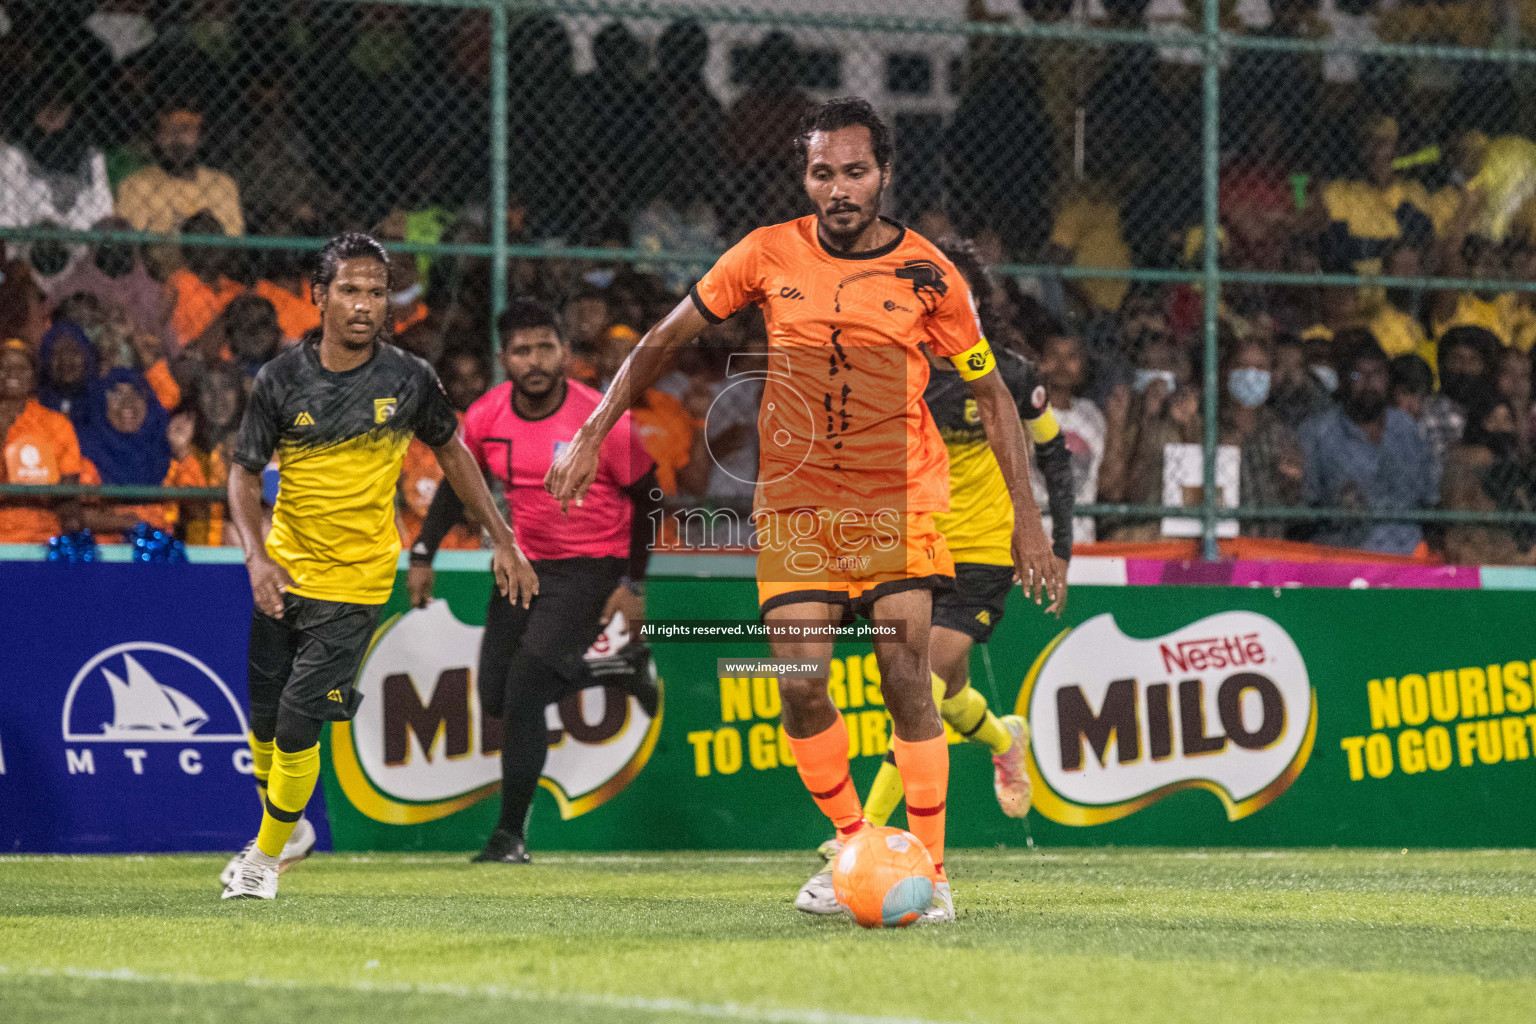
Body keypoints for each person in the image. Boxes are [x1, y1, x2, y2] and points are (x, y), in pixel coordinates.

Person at [545, 98, 1062, 923]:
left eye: (855, 171)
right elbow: (661, 340)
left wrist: (1027, 525)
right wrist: (588, 432)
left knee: (905, 678)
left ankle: (929, 869)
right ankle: (861, 845)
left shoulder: (929, 272)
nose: (839, 188)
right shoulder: (764, 253)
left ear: (884, 174)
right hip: (798, 505)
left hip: (896, 495)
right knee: (801, 683)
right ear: (806, 176)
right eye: (823, 172)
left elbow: (993, 395)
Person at [219, 233, 537, 900]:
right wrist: (255, 556)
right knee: (267, 724)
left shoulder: (410, 379)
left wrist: (501, 537)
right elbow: (243, 475)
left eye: (376, 292)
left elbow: (454, 455)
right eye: (350, 290)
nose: (365, 305)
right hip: (284, 573)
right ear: (319, 296)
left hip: (358, 580)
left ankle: (264, 858)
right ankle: (293, 829)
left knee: (303, 719)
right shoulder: (279, 380)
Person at [408, 300, 660, 864]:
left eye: (546, 347)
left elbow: (651, 496)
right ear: (504, 359)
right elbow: (458, 486)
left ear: (566, 352)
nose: (536, 360)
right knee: (494, 695)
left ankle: (509, 836)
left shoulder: (603, 419)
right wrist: (422, 552)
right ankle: (616, 668)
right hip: (525, 563)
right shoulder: (486, 416)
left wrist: (633, 584)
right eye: (522, 350)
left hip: (592, 564)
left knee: (524, 691)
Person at [843, 237, 1075, 847]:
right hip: (919, 546)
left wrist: (1060, 547)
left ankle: (863, 832)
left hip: (987, 551)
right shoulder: (905, 374)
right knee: (945, 693)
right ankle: (1004, 740)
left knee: (916, 680)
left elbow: (1053, 450)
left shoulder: (1011, 375)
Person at [1299, 337, 1439, 554]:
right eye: (1358, 375)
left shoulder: (1406, 427)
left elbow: (1429, 496)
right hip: (1344, 553)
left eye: (1378, 374)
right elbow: (1306, 507)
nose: (1369, 383)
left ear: (1389, 381)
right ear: (1343, 381)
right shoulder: (1318, 432)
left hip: (1409, 550)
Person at [397, 350, 488, 552]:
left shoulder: (475, 428)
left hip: (466, 550)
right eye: (458, 379)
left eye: (475, 378)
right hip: (410, 548)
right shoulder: (404, 440)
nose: (468, 387)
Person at [0, 339, 87, 543]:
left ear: (33, 377)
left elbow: (67, 492)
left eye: (22, 367)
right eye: (3, 367)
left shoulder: (56, 424)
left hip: (42, 534)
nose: (12, 373)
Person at [115, 103, 245, 236]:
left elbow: (233, 239)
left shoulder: (222, 184)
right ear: (157, 139)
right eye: (168, 131)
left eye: (185, 130)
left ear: (200, 137)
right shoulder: (135, 184)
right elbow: (134, 241)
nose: (178, 140)